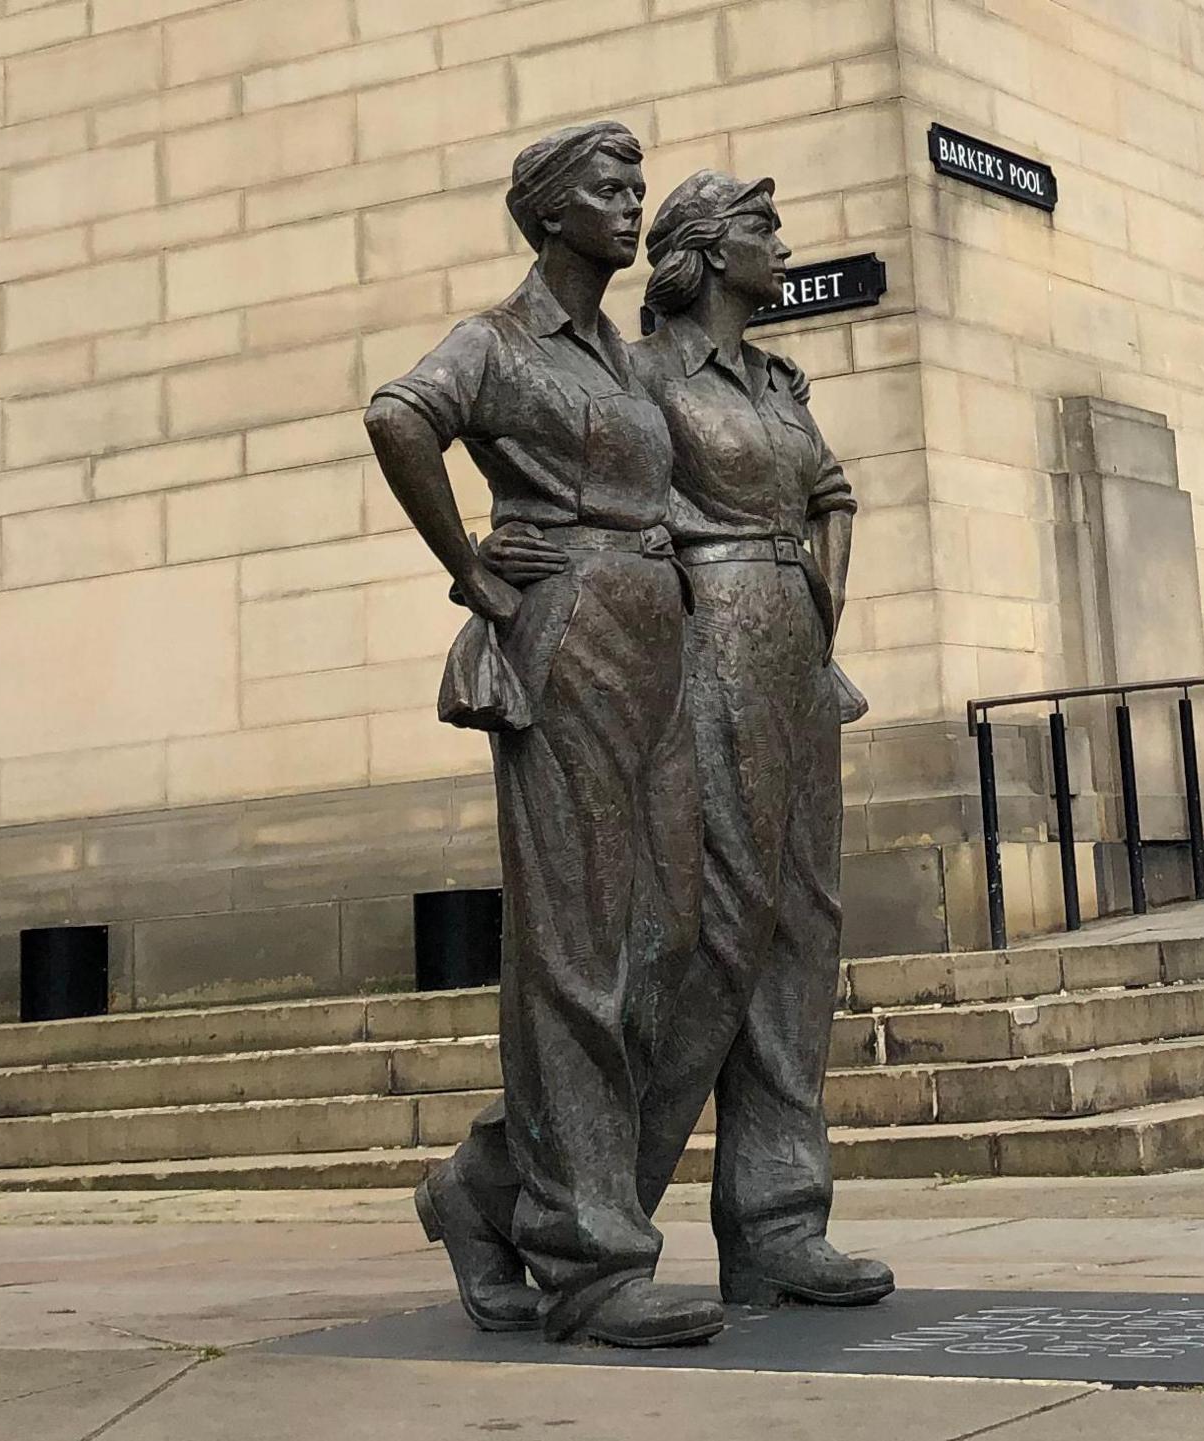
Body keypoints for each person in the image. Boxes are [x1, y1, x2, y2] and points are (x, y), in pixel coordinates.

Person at [483, 170, 891, 1308]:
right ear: (706, 254)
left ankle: (776, 1219)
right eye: (763, 227)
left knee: (797, 936)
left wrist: (822, 608)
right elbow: (586, 487)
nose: (783, 240)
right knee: (702, 945)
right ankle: (508, 1183)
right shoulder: (642, 372)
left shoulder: (776, 381)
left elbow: (835, 493)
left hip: (796, 668)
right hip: (693, 660)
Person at [361, 122, 721, 1349]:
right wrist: (476, 573)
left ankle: (485, 1188)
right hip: (564, 641)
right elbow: (399, 418)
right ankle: (589, 1260)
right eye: (609, 190)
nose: (633, 207)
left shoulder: (624, 357)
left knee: (670, 947)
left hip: (656, 643)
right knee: (577, 951)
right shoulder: (501, 341)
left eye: (637, 189)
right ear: (551, 211)